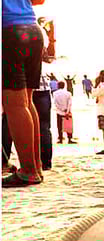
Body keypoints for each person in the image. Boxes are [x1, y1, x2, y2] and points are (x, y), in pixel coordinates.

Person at [2, 0, 46, 187]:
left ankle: (28, 170)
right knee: (27, 102)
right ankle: (36, 167)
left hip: (10, 31)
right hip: (33, 30)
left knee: (15, 104)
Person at [52, 77, 73, 143]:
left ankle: (60, 139)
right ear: (64, 86)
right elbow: (69, 103)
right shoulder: (68, 93)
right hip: (67, 112)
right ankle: (69, 139)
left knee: (59, 126)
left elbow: (55, 103)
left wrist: (61, 109)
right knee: (68, 126)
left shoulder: (54, 93)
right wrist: (67, 111)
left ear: (58, 86)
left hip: (59, 112)